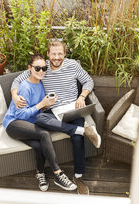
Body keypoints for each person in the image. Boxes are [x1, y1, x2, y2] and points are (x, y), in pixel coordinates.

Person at [11, 40, 101, 195]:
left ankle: (78, 177)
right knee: (39, 119)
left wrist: (81, 97)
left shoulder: (72, 65)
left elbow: (88, 80)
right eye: (53, 54)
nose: (57, 57)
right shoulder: (41, 68)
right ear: (48, 54)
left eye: (60, 54)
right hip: (52, 111)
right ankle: (83, 130)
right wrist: (14, 95)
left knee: (77, 139)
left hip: (73, 109)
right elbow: (18, 80)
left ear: (65, 54)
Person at [2, 54, 77, 192]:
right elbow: (20, 114)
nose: (41, 71)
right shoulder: (25, 87)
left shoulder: (40, 84)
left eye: (44, 68)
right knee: (44, 134)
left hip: (28, 124)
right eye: (37, 68)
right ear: (30, 68)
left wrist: (46, 104)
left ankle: (40, 173)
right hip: (14, 123)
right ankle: (58, 174)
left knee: (38, 145)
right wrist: (41, 103)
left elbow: (37, 108)